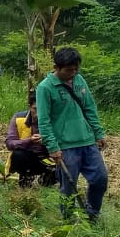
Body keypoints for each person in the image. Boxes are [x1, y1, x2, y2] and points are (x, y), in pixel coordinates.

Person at [37, 47, 108, 221]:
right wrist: (53, 147)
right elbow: (44, 121)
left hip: (87, 141)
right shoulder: (45, 88)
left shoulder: (79, 81)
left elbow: (89, 107)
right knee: (68, 186)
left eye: (76, 69)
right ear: (57, 67)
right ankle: (68, 219)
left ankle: (92, 214)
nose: (73, 73)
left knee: (100, 178)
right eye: (69, 70)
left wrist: (98, 133)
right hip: (66, 145)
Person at [5, 90, 57, 188]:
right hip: (28, 156)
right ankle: (25, 179)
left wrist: (47, 142)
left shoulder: (54, 119)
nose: (38, 113)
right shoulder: (19, 118)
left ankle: (45, 181)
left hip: (48, 157)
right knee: (18, 155)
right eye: (35, 109)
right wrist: (29, 140)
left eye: (42, 109)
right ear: (29, 106)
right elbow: (9, 143)